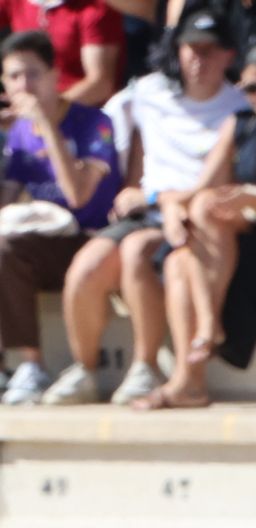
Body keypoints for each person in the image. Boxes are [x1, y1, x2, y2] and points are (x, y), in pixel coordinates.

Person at [43, 6, 245, 405]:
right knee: (86, 267)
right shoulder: (146, 92)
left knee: (136, 252)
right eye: (191, 47)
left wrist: (156, 198)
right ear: (178, 49)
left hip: (190, 217)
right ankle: (85, 369)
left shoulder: (241, 107)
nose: (198, 58)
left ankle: (145, 365)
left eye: (209, 49)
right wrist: (109, 176)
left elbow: (223, 186)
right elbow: (102, 126)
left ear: (229, 55)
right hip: (142, 211)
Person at [134, 38, 256, 410]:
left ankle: (197, 356)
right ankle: (191, 373)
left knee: (195, 234)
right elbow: (202, 187)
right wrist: (169, 206)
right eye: (251, 87)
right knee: (180, 255)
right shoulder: (239, 123)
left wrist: (250, 200)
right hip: (236, 234)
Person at [0, 30, 119, 406]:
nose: (25, 85)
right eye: (14, 76)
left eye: (33, 74)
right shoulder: (16, 132)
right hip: (41, 240)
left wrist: (47, 126)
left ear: (55, 76)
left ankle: (31, 366)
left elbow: (77, 195)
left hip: (91, 238)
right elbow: (6, 202)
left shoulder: (94, 122)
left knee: (4, 250)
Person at [0, 0, 124, 108]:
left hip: (83, 116)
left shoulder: (95, 8)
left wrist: (46, 111)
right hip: (27, 107)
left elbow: (100, 84)